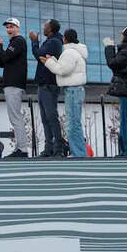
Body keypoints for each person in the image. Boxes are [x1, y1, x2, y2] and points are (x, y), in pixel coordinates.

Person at [42, 28, 89, 158]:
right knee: (74, 123)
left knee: (73, 124)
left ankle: (78, 153)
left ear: (65, 39)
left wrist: (49, 62)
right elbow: (66, 68)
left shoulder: (69, 52)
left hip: (73, 90)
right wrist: (53, 60)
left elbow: (62, 70)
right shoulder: (74, 52)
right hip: (75, 90)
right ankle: (79, 152)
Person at [29, 19, 65, 158]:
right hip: (44, 84)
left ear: (50, 28)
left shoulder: (54, 42)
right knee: (45, 118)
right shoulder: (51, 41)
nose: (43, 28)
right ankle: (49, 148)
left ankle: (58, 149)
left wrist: (34, 41)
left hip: (49, 85)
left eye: (45, 26)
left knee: (51, 117)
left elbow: (39, 55)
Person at [0, 17, 30, 158]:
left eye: (11, 27)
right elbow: (2, 62)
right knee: (14, 117)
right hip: (12, 83)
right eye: (7, 27)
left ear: (18, 28)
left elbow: (4, 58)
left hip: (14, 84)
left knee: (15, 117)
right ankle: (19, 148)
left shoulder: (19, 41)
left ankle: (22, 149)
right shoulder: (13, 43)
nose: (9, 29)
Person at [104, 26, 127, 156]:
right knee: (125, 120)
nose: (121, 36)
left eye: (122, 34)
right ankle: (126, 149)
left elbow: (112, 63)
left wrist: (109, 48)